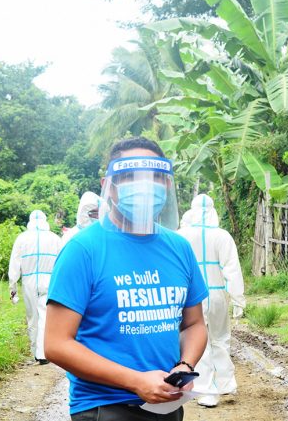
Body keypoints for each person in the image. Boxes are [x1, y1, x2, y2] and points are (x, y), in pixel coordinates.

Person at [45, 137, 209, 421]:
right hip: (105, 408)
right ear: (108, 185)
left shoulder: (179, 247)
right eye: (131, 177)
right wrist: (135, 381)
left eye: (155, 177)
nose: (145, 186)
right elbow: (56, 343)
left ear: (167, 184)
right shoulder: (83, 250)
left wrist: (185, 364)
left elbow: (194, 323)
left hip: (166, 405)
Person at [177, 194, 245, 408]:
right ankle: (226, 384)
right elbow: (232, 269)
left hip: (191, 298)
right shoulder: (223, 236)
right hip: (217, 295)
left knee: (198, 339)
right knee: (221, 339)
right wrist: (238, 299)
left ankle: (207, 390)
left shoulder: (181, 236)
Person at [8, 210, 62, 365]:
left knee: (32, 317)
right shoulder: (55, 238)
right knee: (46, 316)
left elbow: (14, 265)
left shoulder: (22, 238)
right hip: (50, 280)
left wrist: (13, 288)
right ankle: (44, 352)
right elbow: (62, 263)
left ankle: (36, 353)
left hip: (29, 281)